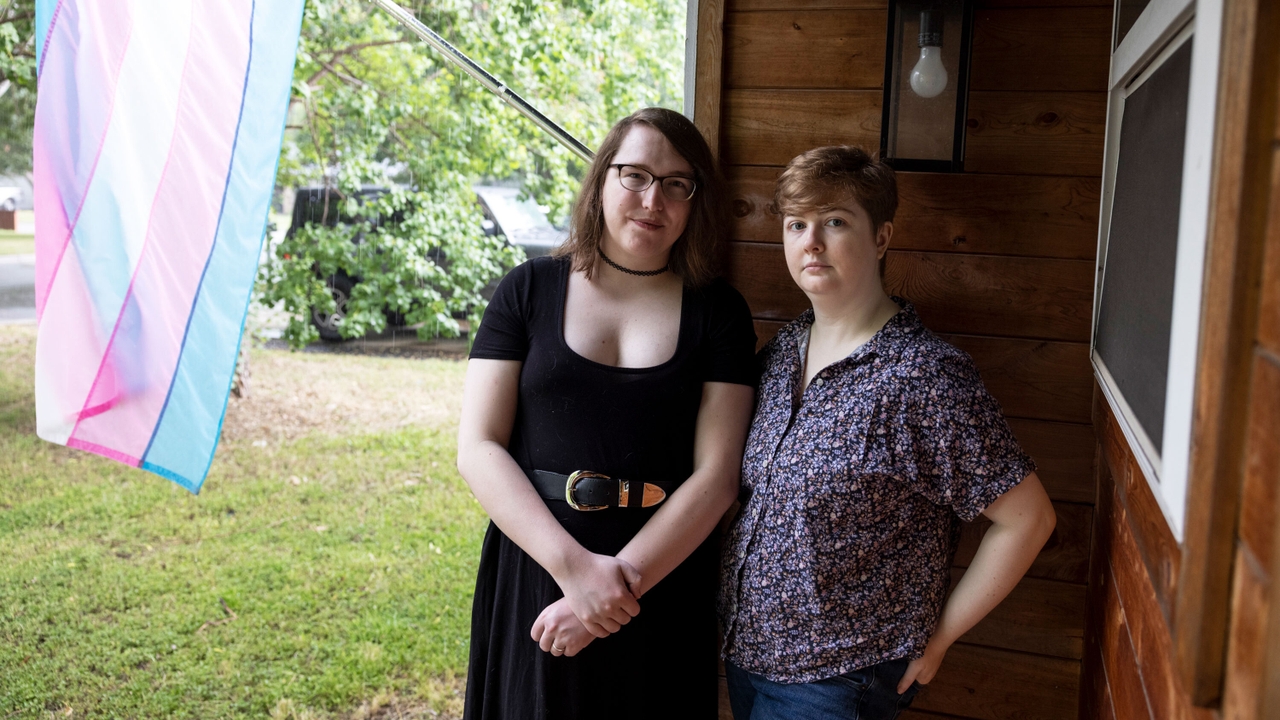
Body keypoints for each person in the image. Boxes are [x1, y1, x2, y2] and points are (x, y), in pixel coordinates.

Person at [717, 146, 1058, 720]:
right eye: (796, 224)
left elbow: (1028, 520)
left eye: (834, 222)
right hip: (747, 654)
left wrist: (940, 638)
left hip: (840, 678)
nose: (811, 242)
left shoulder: (924, 376)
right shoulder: (782, 352)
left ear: (881, 237)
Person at [456, 107, 758, 720]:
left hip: (661, 579)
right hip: (537, 566)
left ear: (696, 201)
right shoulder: (526, 290)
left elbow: (717, 476)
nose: (653, 200)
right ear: (601, 180)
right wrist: (575, 573)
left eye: (677, 184)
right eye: (635, 175)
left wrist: (614, 589)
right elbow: (478, 447)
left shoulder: (719, 312)